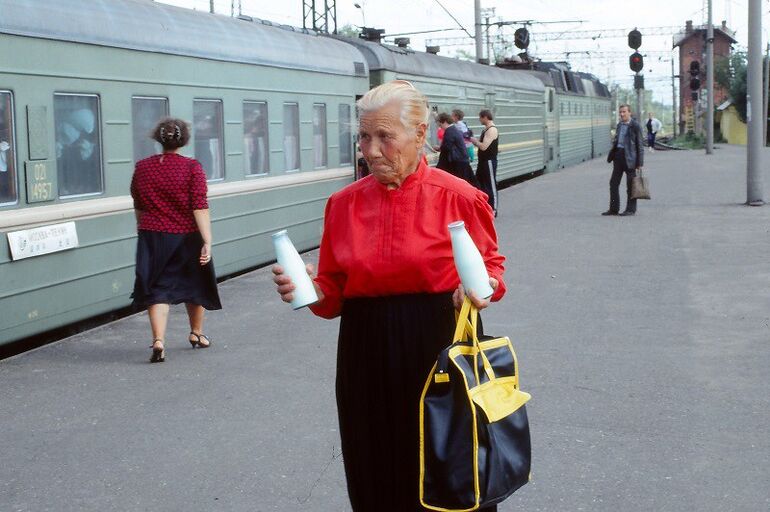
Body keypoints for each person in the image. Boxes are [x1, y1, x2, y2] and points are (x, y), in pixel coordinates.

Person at [272, 80, 505, 512]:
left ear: (420, 134)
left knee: (448, 464)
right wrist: (310, 289)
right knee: (374, 462)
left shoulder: (459, 197)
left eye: (385, 136)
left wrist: (482, 288)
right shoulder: (342, 204)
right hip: (365, 347)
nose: (372, 151)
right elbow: (334, 293)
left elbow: (491, 266)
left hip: (440, 342)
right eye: (364, 137)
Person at [130, 117, 222, 363]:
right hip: (187, 236)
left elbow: (138, 204)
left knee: (157, 288)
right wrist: (207, 240)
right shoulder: (192, 167)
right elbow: (199, 207)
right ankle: (196, 333)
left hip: (152, 235)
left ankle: (158, 341)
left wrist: (143, 228)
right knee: (195, 283)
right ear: (184, 140)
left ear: (158, 139)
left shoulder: (142, 167)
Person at [603, 104, 644, 217]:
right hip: (618, 157)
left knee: (631, 185)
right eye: (620, 112)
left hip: (630, 158)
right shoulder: (619, 125)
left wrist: (640, 163)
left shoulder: (635, 126)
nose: (622, 114)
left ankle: (631, 209)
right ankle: (613, 209)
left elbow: (640, 145)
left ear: (630, 112)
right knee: (613, 183)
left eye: (624, 112)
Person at [435, 112, 479, 188]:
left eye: (440, 124)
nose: (439, 126)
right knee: (467, 183)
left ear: (444, 121)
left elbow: (446, 148)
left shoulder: (449, 131)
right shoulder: (454, 129)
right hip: (462, 161)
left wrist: (439, 149)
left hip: (458, 163)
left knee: (462, 185)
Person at [470, 109, 499, 216]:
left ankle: (493, 210)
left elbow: (483, 146)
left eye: (480, 118)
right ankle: (484, 207)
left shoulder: (492, 130)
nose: (479, 120)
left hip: (489, 162)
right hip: (483, 162)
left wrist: (474, 141)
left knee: (490, 185)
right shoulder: (485, 130)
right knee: (480, 184)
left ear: (485, 117)